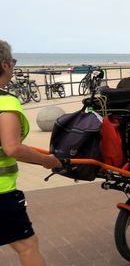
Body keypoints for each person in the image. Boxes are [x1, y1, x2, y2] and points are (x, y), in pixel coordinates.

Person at [0, 40, 62, 266]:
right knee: (27, 246)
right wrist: (46, 161)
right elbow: (12, 148)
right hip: (1, 192)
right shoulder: (5, 102)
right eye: (13, 61)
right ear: (5, 65)